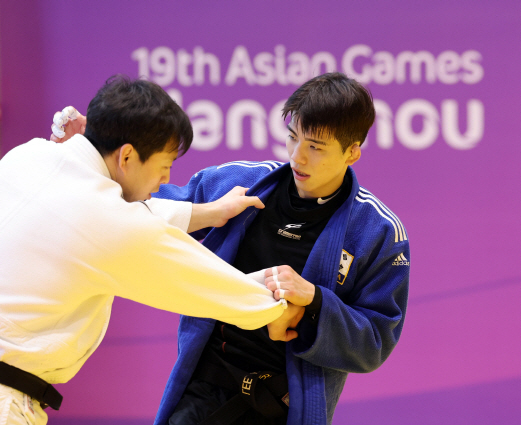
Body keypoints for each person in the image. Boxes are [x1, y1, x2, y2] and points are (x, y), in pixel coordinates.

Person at [51, 72, 410, 425]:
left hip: (283, 407)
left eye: (315, 147)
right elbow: (143, 205)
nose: (297, 157)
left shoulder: (377, 231)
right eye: (292, 137)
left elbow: (375, 341)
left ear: (352, 152)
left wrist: (315, 301)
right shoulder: (237, 182)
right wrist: (99, 153)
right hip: (202, 392)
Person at [0, 76, 303, 425]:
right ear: (127, 154)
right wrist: (274, 309)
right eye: (164, 168)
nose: (164, 182)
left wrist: (208, 213)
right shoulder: (107, 221)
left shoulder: (28, 155)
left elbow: (108, 218)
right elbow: (191, 276)